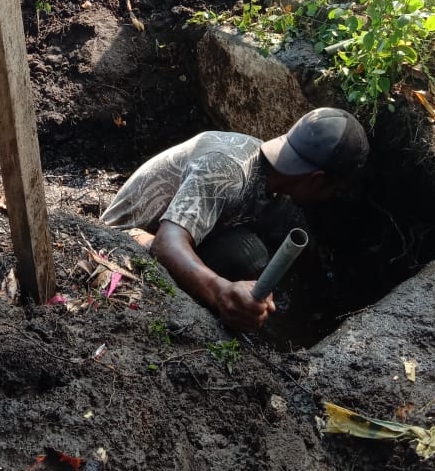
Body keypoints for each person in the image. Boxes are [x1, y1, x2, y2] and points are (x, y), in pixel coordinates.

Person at [101, 107, 369, 333]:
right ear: (316, 180)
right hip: (121, 239)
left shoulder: (276, 181)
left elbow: (304, 249)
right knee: (246, 255)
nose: (330, 198)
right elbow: (166, 242)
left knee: (254, 256)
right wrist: (222, 293)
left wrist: (327, 301)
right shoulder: (227, 169)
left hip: (176, 235)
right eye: (333, 190)